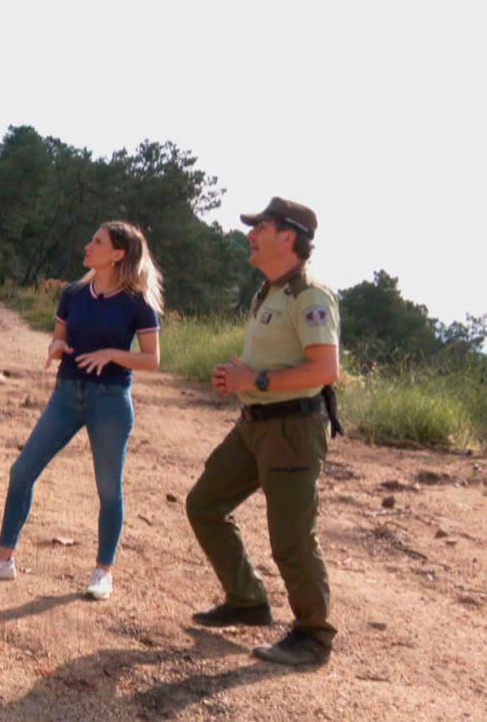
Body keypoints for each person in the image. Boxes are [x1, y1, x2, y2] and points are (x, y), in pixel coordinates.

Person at [0, 222, 163, 600]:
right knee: (22, 471)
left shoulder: (138, 303)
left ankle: (103, 571)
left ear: (118, 254)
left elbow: (152, 359)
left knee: (108, 489)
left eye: (97, 242)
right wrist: (55, 346)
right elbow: (60, 335)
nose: (88, 245)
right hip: (66, 395)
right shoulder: (74, 293)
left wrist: (113, 355)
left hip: (111, 400)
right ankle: (3, 559)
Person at [186, 196, 341, 667]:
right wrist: (239, 376)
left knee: (291, 537)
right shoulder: (270, 292)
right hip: (255, 425)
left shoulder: (310, 295)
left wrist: (253, 380)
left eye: (261, 227)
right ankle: (248, 600)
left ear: (288, 236)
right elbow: (278, 361)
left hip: (292, 428)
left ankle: (314, 635)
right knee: (205, 504)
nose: (251, 234)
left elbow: (325, 369)